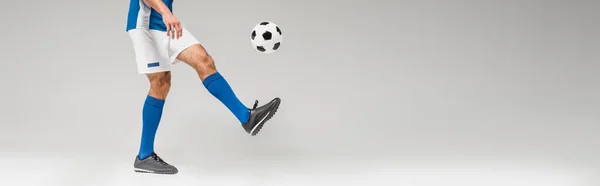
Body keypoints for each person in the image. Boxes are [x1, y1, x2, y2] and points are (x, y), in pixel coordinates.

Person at [126, 0, 281, 174]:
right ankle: (144, 155)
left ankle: (246, 117)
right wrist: (165, 12)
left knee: (204, 61)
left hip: (166, 23)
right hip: (145, 24)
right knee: (160, 83)